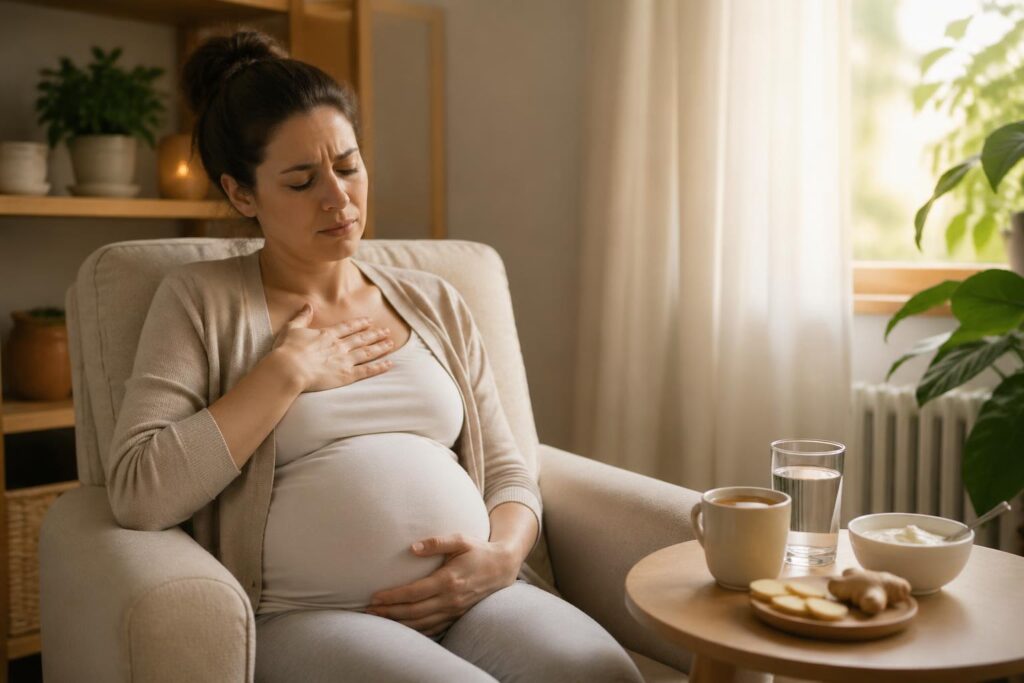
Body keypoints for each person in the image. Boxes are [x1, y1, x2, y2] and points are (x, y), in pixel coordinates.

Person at [106, 29, 644, 683]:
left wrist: (500, 555)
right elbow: (139, 491)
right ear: (242, 194)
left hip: (479, 594)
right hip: (311, 615)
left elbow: (507, 463)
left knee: (601, 672)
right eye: (302, 180)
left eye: (349, 165)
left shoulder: (435, 300)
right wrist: (285, 375)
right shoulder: (198, 301)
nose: (339, 197)